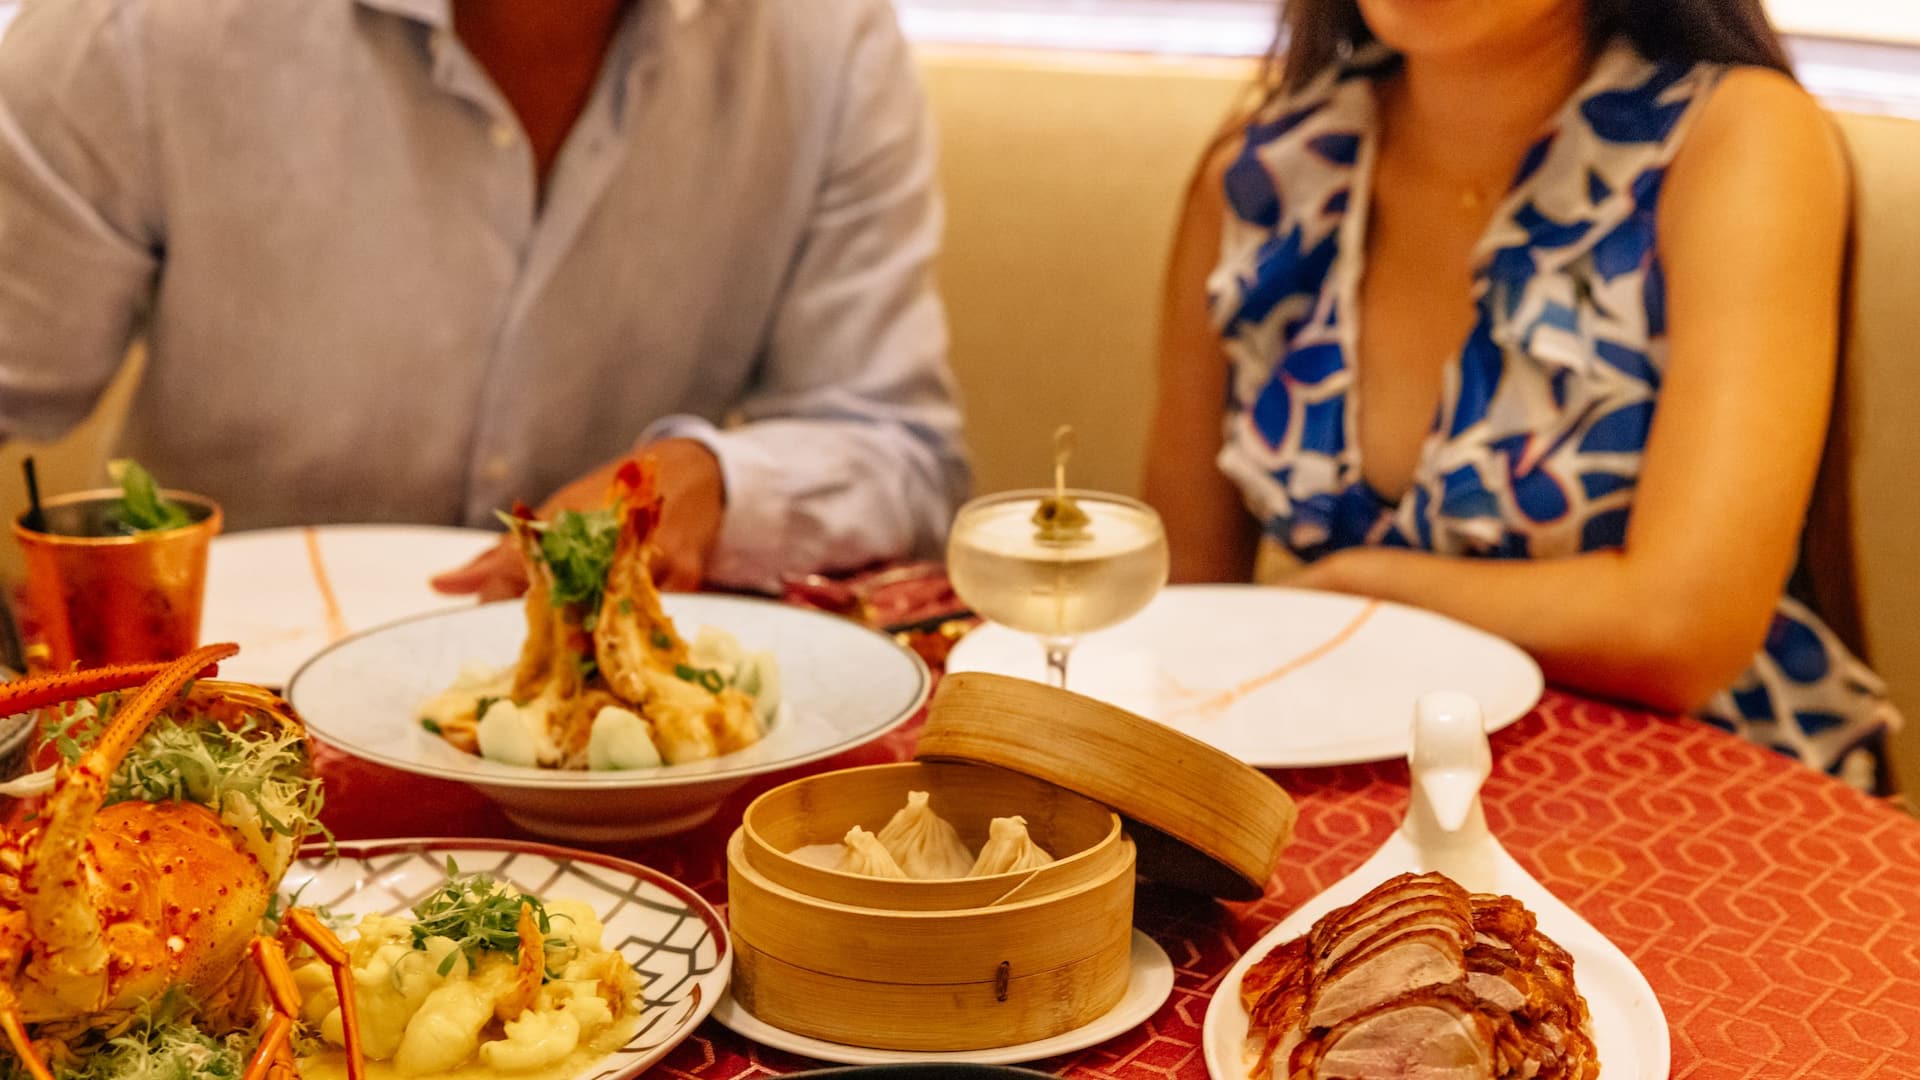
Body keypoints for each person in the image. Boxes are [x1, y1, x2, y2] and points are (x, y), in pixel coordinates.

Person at [1145, 0, 1900, 790]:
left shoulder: (1732, 135)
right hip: (1355, 779)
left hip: (1696, 791)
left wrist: (1356, 587)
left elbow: (1684, 628)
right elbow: (1185, 605)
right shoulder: (1265, 173)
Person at [0, 0, 968, 596]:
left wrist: (713, 482)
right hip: (191, 742)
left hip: (598, 773)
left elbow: (904, 451)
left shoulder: (827, 41)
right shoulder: (134, 27)